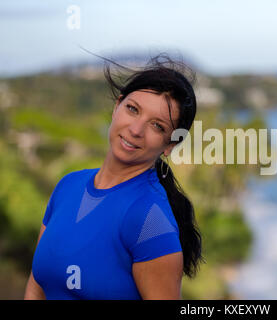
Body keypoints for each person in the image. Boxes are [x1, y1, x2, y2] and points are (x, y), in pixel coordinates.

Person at [24, 53, 204, 300]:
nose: (136, 130)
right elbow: (37, 283)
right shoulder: (68, 186)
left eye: (157, 126)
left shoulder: (150, 220)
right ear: (116, 106)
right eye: (133, 109)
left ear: (170, 145)